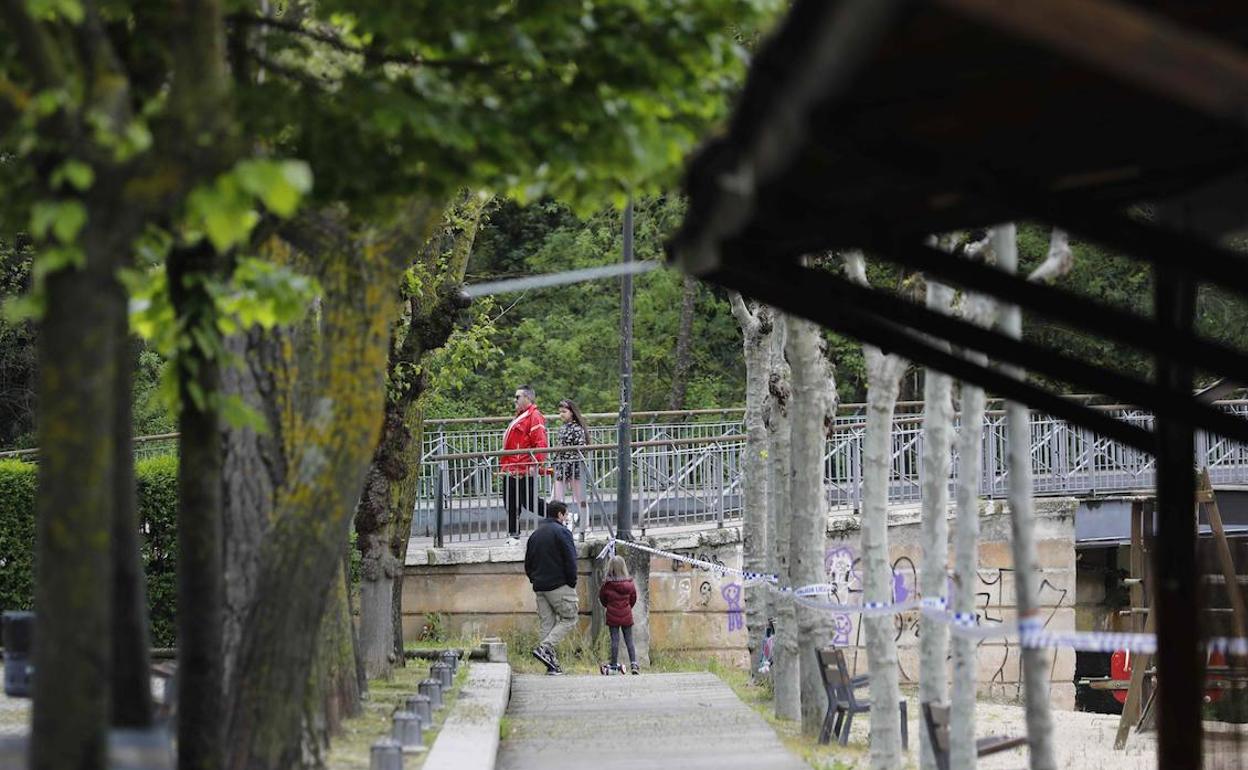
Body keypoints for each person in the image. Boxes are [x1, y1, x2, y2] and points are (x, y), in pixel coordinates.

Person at [524, 500, 579, 675]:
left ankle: (552, 666)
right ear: (560, 515)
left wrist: (535, 579)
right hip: (560, 585)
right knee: (569, 618)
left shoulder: (535, 534)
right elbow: (571, 559)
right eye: (566, 514)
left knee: (547, 625)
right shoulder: (562, 532)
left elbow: (528, 563)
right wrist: (572, 581)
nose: (567, 517)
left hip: (540, 587)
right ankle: (545, 648)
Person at [501, 384, 548, 544]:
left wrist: (537, 464)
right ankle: (513, 535)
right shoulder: (520, 416)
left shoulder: (534, 416)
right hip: (511, 467)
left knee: (530, 502)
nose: (515, 400)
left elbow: (540, 442)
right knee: (510, 502)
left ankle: (560, 514)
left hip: (523, 467)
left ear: (527, 398)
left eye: (517, 397)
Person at [598, 554, 639, 675]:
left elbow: (602, 599)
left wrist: (610, 606)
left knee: (614, 641)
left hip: (612, 615)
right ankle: (634, 664)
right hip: (626, 614)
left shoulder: (607, 585)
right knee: (629, 640)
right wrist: (627, 608)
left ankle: (614, 665)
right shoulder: (630, 584)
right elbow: (633, 599)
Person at [552, 398, 590, 529]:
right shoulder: (563, 428)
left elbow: (581, 448)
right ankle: (561, 523)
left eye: (564, 411)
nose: (561, 414)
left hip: (574, 466)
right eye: (560, 412)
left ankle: (585, 526)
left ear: (572, 412)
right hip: (562, 465)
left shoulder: (577, 429)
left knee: (580, 498)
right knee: (558, 498)